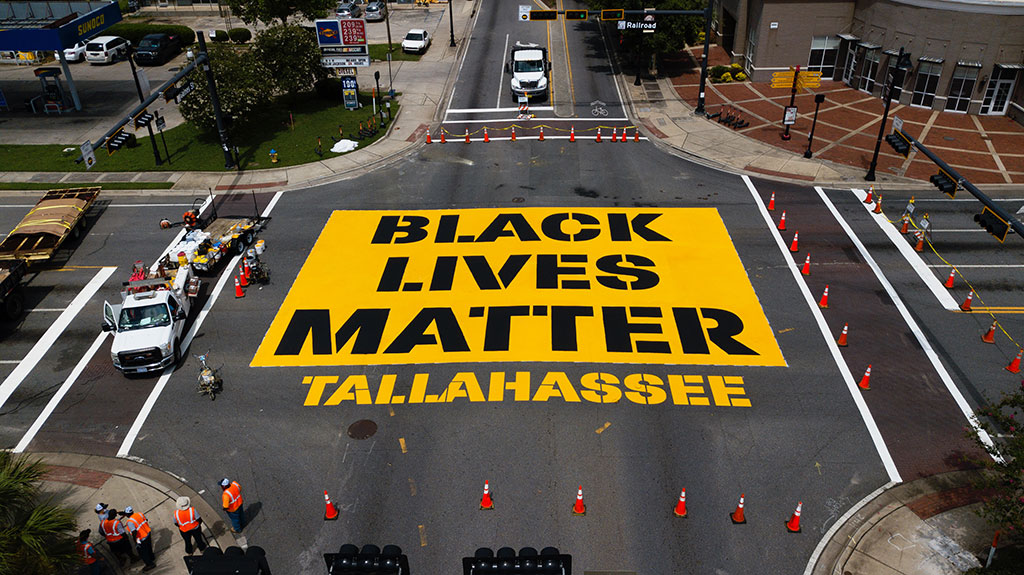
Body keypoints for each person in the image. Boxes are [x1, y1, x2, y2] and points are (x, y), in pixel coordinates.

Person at [123, 505, 157, 571]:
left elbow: (134, 532)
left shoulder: (130, 522)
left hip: (141, 538)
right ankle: (151, 557)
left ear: (127, 514)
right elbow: (146, 520)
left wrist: (135, 541)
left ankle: (150, 564)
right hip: (147, 533)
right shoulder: (140, 514)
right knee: (149, 547)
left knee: (143, 552)